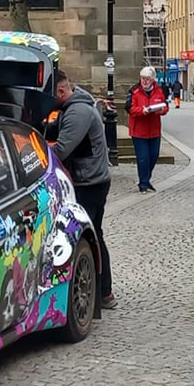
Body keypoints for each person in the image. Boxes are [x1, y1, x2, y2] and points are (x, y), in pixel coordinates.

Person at [48, 70, 116, 310]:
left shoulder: (77, 112)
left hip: (89, 183)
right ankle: (103, 292)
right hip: (91, 179)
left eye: (50, 95)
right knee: (95, 234)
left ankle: (103, 291)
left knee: (91, 236)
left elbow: (62, 149)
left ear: (61, 92)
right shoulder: (77, 105)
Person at [126, 67, 169, 193]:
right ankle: (143, 183)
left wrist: (162, 110)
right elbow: (130, 108)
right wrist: (142, 111)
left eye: (147, 79)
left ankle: (146, 179)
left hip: (154, 130)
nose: (144, 81)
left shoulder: (159, 91)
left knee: (154, 156)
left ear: (153, 79)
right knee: (143, 158)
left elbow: (165, 105)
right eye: (142, 78)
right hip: (139, 131)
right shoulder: (134, 91)